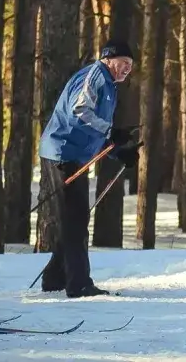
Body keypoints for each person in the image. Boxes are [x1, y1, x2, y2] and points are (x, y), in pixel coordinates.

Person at [36, 41, 137, 298]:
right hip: (64, 152)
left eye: (131, 65)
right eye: (124, 63)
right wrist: (111, 132)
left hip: (74, 154)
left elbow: (93, 129)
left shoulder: (109, 84)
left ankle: (55, 278)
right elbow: (80, 111)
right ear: (109, 58)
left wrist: (118, 152)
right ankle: (78, 284)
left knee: (75, 218)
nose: (127, 69)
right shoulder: (95, 75)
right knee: (76, 218)